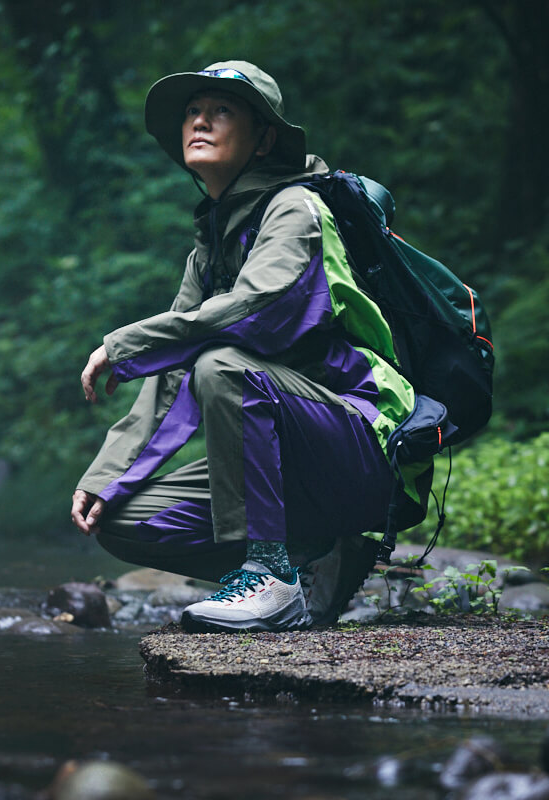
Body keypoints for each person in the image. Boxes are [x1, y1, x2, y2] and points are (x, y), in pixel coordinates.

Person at [71, 61, 432, 632]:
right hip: (290, 459)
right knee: (121, 521)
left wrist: (126, 344)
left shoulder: (296, 208)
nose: (199, 121)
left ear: (263, 140)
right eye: (193, 111)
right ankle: (314, 559)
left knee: (223, 366)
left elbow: (257, 306)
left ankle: (270, 576)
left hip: (364, 444)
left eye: (221, 111)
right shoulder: (210, 247)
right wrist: (106, 475)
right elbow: (169, 378)